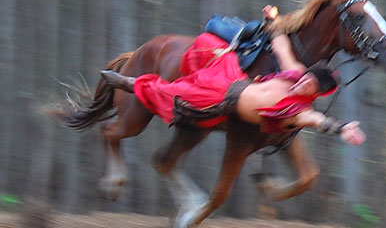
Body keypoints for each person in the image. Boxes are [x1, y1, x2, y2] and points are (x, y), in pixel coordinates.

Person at [101, 32, 365, 145]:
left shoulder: (298, 111)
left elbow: (318, 120)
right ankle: (138, 73)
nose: (304, 82)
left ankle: (128, 83)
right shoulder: (293, 73)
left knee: (174, 94)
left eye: (310, 85)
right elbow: (281, 45)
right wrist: (273, 20)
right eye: (307, 77)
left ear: (316, 93)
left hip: (222, 100)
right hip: (231, 76)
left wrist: (342, 128)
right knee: (210, 43)